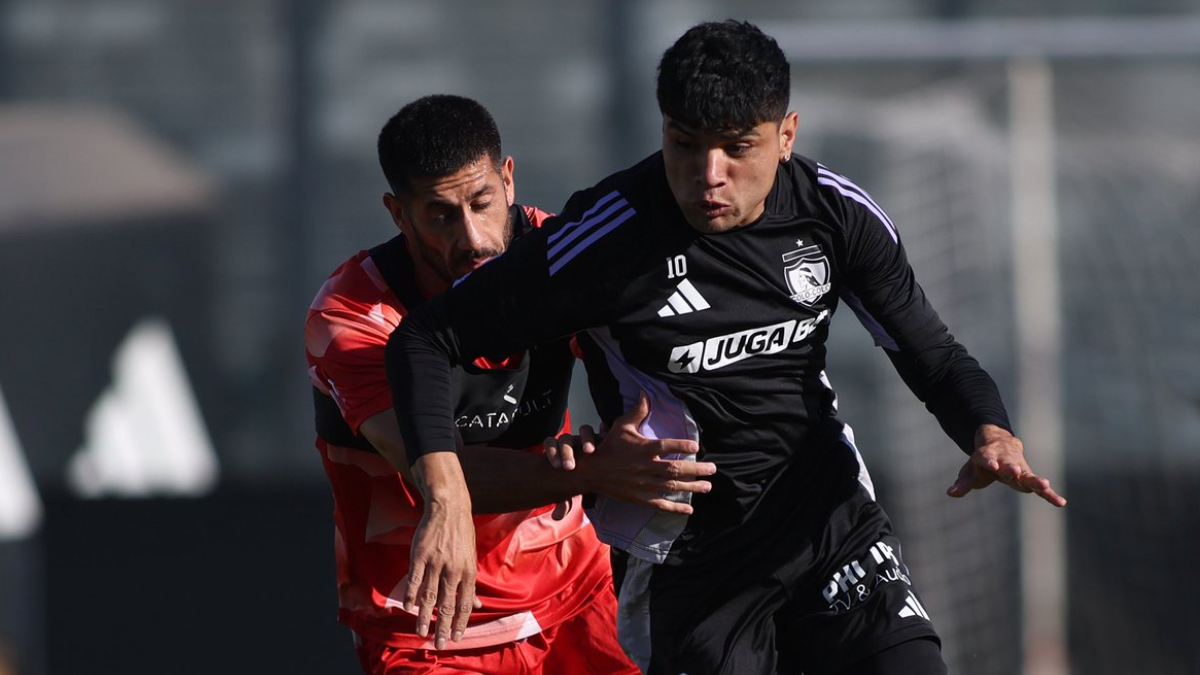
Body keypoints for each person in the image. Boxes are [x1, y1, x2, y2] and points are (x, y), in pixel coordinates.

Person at [386, 22, 1067, 675]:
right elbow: (424, 338)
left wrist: (989, 430)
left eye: (737, 147)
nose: (708, 173)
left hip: (826, 519)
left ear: (786, 136)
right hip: (690, 558)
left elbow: (933, 354)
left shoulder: (834, 214)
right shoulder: (605, 237)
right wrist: (446, 498)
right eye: (685, 144)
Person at [304, 94, 713, 674]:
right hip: (428, 627)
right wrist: (592, 473)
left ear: (508, 180)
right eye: (441, 215)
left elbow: (659, 367)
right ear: (398, 214)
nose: (472, 238)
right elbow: (442, 473)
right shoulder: (352, 315)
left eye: (481, 202)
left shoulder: (560, 252)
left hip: (580, 596)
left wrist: (613, 442)